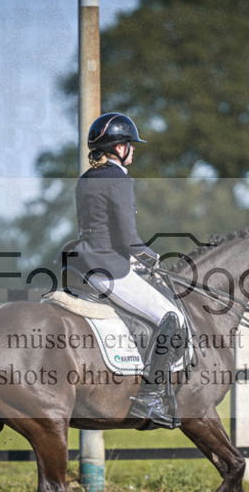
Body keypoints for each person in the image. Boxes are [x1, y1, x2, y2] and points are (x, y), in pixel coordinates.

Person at [60, 112, 184, 429]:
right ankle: (151, 398)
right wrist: (153, 259)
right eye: (130, 143)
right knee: (173, 317)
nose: (133, 150)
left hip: (84, 265)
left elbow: (98, 229)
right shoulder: (119, 179)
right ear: (118, 148)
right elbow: (130, 239)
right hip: (110, 270)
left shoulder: (86, 178)